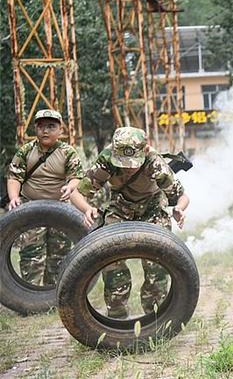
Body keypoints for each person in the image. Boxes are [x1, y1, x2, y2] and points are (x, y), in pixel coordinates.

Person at [71, 126, 190, 318]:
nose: (127, 167)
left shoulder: (155, 163)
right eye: (123, 162)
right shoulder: (107, 159)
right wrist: (87, 209)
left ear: (144, 150)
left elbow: (182, 197)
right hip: (121, 206)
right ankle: (117, 316)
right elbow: (78, 193)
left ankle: (156, 318)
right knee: (110, 258)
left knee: (157, 262)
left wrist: (179, 209)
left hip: (152, 208)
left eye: (132, 162)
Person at [5, 109, 84, 285]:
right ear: (35, 129)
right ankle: (30, 294)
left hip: (60, 209)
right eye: (41, 127)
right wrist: (13, 198)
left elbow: (76, 176)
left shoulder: (68, 152)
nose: (45, 131)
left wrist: (70, 187)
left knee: (59, 252)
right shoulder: (25, 151)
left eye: (51, 126)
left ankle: (53, 293)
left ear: (60, 130)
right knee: (31, 252)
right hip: (31, 208)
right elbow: (14, 177)